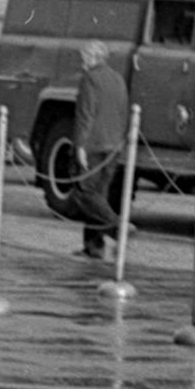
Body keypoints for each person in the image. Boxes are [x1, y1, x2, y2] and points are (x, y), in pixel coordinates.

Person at [72, 39, 129, 260]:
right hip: (113, 146)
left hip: (94, 145)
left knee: (85, 194)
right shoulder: (117, 79)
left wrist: (80, 146)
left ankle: (118, 228)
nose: (81, 61)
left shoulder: (90, 79)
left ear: (93, 57)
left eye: (84, 57)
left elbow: (85, 114)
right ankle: (93, 246)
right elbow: (123, 113)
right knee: (99, 196)